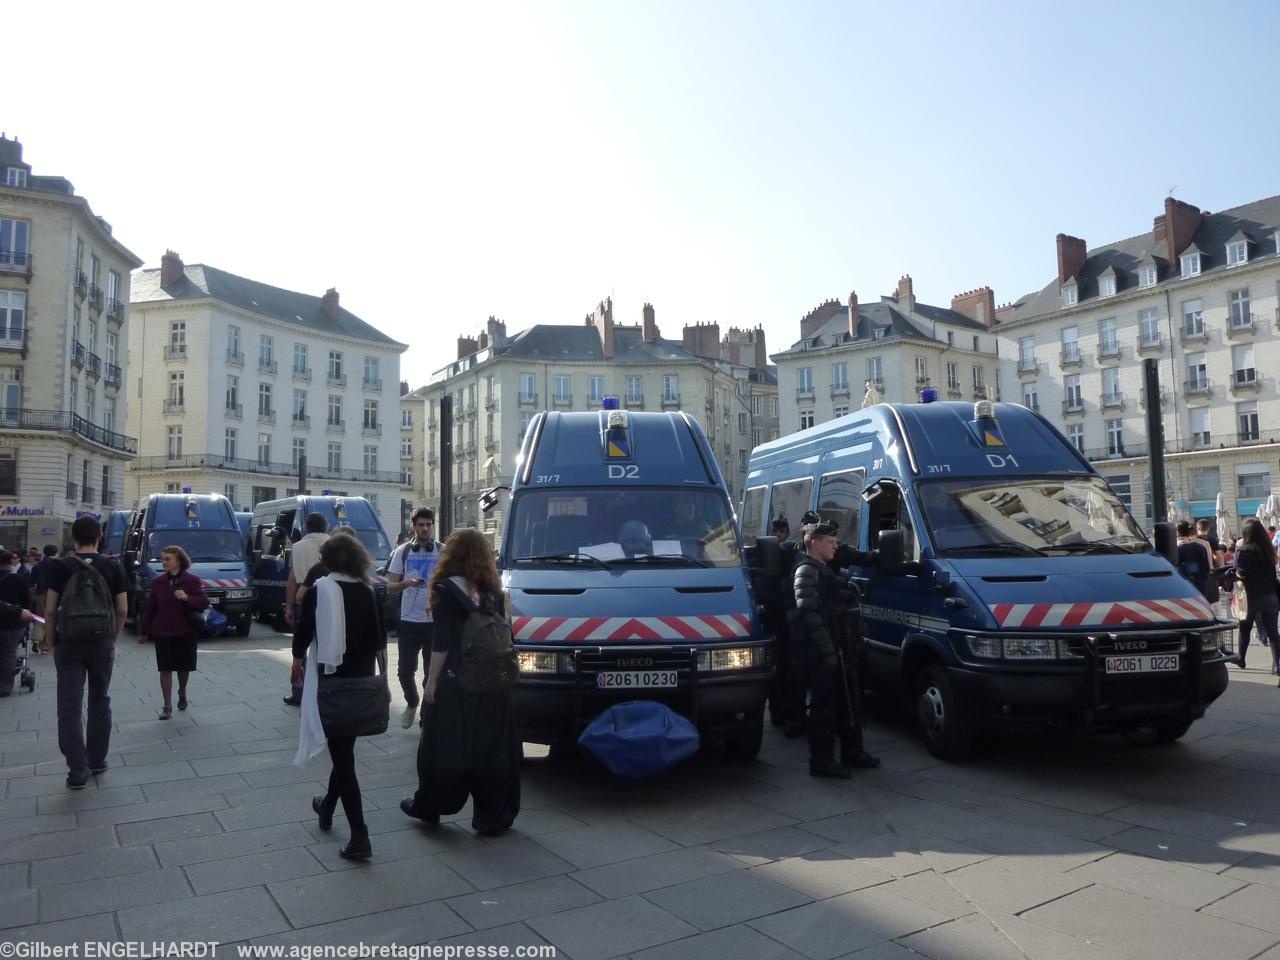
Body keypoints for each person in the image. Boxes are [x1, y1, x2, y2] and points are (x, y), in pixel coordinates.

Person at [401, 528, 520, 836]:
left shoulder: (444, 588)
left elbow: (441, 642)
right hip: (494, 681)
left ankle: (429, 805)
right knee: (492, 749)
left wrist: (431, 684)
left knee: (443, 748)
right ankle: (492, 815)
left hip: (458, 681)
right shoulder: (494, 590)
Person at [292, 534, 387, 861]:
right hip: (361, 680)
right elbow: (379, 639)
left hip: (332, 681)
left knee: (343, 758)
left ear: (328, 560)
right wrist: (383, 678)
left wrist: (296, 660)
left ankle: (360, 835)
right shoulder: (367, 590)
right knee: (344, 749)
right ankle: (327, 805)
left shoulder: (321, 589)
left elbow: (304, 631)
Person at [43, 516, 128, 789]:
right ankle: (97, 760)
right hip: (101, 641)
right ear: (99, 536)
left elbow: (49, 610)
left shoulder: (60, 566)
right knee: (100, 699)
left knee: (68, 706)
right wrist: (112, 637)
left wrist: (51, 642)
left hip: (68, 642)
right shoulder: (113, 565)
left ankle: (77, 770)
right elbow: (123, 608)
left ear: (73, 538)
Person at [793, 517, 880, 778]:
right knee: (824, 706)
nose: (835, 546)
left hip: (843, 646)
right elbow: (808, 613)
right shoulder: (807, 571)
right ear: (814, 543)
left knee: (849, 700)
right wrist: (827, 649)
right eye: (830, 542)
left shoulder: (826, 569)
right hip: (825, 652)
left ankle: (852, 751)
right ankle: (821, 760)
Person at [139, 546, 210, 719]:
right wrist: (143, 631)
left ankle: (182, 690)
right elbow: (150, 608)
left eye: (167, 559)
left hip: (185, 631)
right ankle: (167, 706)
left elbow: (203, 602)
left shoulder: (192, 580)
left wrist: (187, 598)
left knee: (183, 668)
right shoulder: (158, 582)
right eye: (162, 559)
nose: (164, 562)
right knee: (165, 669)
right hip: (163, 631)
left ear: (178, 561)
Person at [387, 508, 443, 729]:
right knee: (404, 670)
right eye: (421, 524)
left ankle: (427, 717)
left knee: (432, 673)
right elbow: (390, 587)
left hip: (434, 622)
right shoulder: (402, 552)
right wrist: (406, 583)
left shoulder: (442, 550)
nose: (425, 528)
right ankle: (412, 702)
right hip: (409, 621)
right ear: (413, 526)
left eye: (429, 524)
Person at [283, 513, 330, 705]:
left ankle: (298, 692)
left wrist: (289, 606)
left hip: (304, 596)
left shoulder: (298, 546)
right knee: (326, 645)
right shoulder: (332, 543)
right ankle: (324, 690)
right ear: (325, 526)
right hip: (328, 596)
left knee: (300, 644)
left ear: (306, 527)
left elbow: (292, 579)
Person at [1235, 517, 1280, 679]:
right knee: (1273, 633)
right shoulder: (1269, 551)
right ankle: (1277, 665)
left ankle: (1241, 659)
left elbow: (1240, 574)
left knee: (1245, 630)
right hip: (1270, 595)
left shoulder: (1243, 551)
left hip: (1249, 597)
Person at [0, 551, 33, 696]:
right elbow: (27, 601)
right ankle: (5, 687)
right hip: (14, 624)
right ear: (11, 562)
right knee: (8, 653)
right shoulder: (18, 579)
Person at [1176, 521, 1215, 604]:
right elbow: (1207, 568)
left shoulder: (1176, 548)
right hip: (1201, 584)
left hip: (1183, 585)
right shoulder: (1201, 547)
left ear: (1177, 532)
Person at [30, 545, 60, 654]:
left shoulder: (37, 566)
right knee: (50, 618)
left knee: (39, 618)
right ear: (56, 552)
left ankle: (36, 638)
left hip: (39, 594)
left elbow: (31, 584)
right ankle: (44, 645)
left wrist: (33, 597)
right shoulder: (59, 565)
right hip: (54, 595)